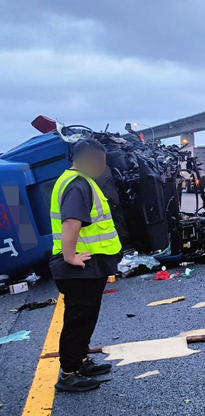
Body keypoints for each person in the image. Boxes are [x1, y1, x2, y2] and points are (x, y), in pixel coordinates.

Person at [50, 139, 122, 393]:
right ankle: (69, 373)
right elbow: (71, 221)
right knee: (78, 320)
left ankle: (80, 361)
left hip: (89, 265)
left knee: (86, 317)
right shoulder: (78, 184)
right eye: (98, 160)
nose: (102, 166)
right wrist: (70, 257)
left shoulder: (79, 181)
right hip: (80, 267)